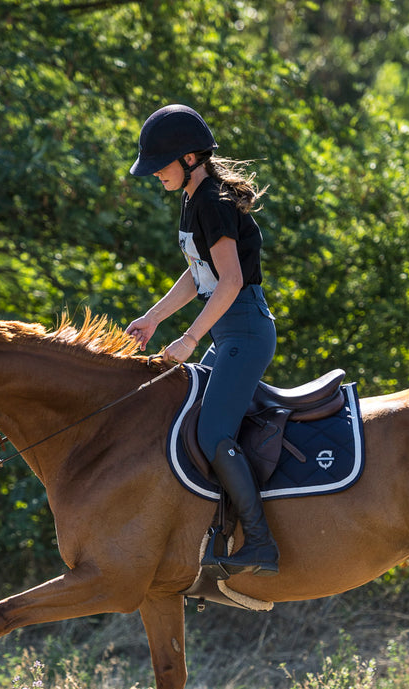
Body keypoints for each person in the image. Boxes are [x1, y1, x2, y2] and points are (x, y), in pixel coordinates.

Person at [124, 104, 279, 577]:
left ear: (190, 158)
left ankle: (259, 542)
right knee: (190, 420)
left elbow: (229, 281)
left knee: (212, 433)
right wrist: (152, 319)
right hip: (232, 330)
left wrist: (190, 338)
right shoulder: (195, 197)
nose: (154, 176)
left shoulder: (211, 200)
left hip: (246, 330)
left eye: (159, 166)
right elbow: (198, 277)